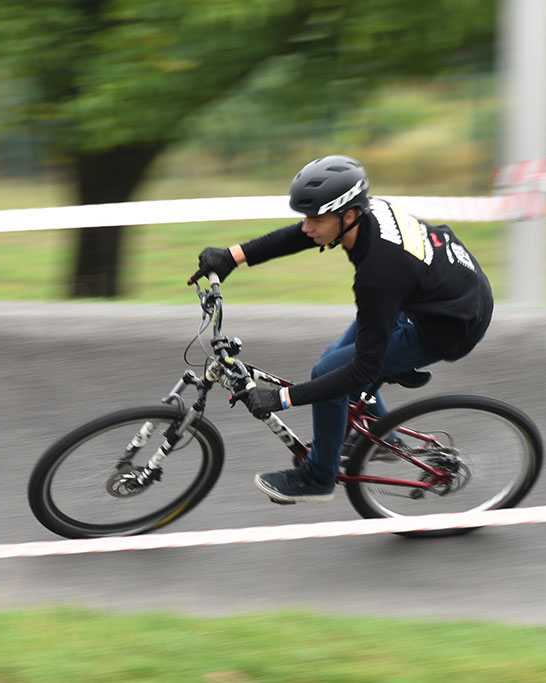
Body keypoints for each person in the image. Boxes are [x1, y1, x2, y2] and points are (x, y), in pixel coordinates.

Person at [188, 155, 493, 504]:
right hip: (436, 291)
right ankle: (385, 439)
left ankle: (319, 476)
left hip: (450, 325)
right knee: (335, 362)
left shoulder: (377, 274)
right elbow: (304, 236)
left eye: (315, 218)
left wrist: (282, 399)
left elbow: (363, 367)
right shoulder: (365, 211)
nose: (307, 226)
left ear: (348, 215)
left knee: (332, 371)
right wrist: (233, 256)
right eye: (306, 216)